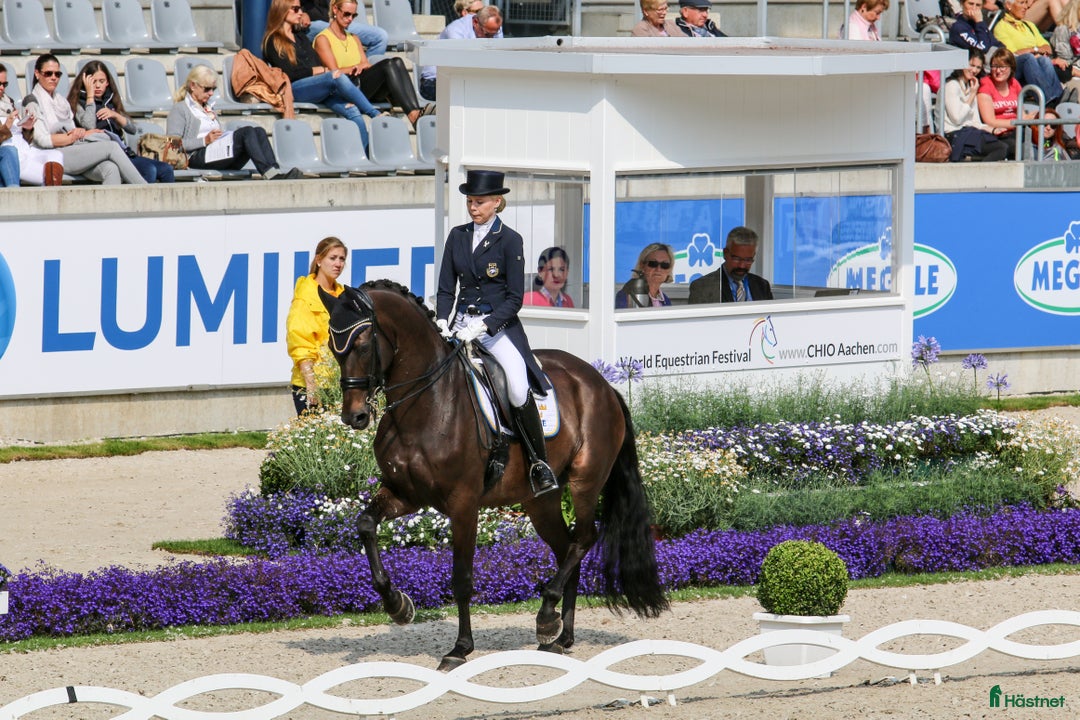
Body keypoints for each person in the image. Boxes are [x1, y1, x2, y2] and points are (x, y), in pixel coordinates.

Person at [434, 169, 559, 497]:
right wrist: (443, 320)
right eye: (470, 201)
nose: (473, 207)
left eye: (479, 202)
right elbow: (447, 287)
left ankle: (538, 463)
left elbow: (515, 299)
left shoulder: (510, 240)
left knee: (517, 388)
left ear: (497, 202)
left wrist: (485, 325)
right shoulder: (457, 236)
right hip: (461, 325)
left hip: (495, 327)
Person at [263, 0, 385, 150]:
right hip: (294, 89)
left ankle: (367, 157)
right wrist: (319, 71)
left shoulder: (300, 36)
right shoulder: (273, 40)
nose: (300, 12)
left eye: (300, 8)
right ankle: (374, 113)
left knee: (352, 110)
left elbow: (316, 62)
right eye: (295, 9)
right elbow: (289, 74)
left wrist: (321, 70)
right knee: (336, 75)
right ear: (282, 10)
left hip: (316, 85)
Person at [27, 54, 146, 185]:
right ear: (37, 74)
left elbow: (73, 130)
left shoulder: (61, 101)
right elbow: (42, 140)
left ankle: (110, 205)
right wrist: (72, 137)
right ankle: (147, 192)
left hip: (73, 150)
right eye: (48, 73)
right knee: (111, 147)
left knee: (111, 168)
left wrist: (84, 133)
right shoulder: (32, 101)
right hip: (50, 155)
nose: (53, 78)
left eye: (57, 74)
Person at [313, 0, 433, 127]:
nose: (350, 19)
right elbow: (334, 74)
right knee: (388, 64)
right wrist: (355, 67)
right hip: (345, 90)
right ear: (335, 10)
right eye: (347, 14)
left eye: (354, 16)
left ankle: (415, 112)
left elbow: (366, 65)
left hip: (361, 84)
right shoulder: (323, 39)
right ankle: (413, 115)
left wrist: (361, 66)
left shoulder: (354, 38)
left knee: (397, 61)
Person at [167, 65, 302, 179]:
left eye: (213, 89)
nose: (211, 93)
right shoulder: (180, 109)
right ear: (193, 86)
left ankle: (275, 171)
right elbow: (172, 144)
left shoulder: (208, 108)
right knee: (247, 132)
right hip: (194, 158)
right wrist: (204, 141)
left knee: (258, 131)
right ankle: (270, 174)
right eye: (207, 89)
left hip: (216, 154)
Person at [68, 61, 174, 184]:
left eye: (101, 81)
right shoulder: (78, 103)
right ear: (85, 82)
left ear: (107, 82)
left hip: (124, 152)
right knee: (148, 170)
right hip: (102, 156)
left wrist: (115, 115)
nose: (97, 86)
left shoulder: (110, 100)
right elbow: (89, 125)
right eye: (93, 82)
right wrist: (90, 97)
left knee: (166, 169)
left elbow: (132, 129)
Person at [286, 236, 347, 415]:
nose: (338, 264)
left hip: (341, 382)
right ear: (319, 260)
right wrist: (312, 384)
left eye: (342, 259)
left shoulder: (344, 295)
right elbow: (300, 342)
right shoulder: (306, 296)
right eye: (332, 258)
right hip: (314, 385)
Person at [418, 6, 504, 101]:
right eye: (487, 35)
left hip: (464, 80)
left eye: (495, 34)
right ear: (475, 22)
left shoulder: (492, 28)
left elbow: (497, 56)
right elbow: (462, 64)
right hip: (434, 82)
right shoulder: (456, 31)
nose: (491, 39)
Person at [993, 0, 1064, 107]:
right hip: (1014, 67)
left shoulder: (1029, 25)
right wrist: (1035, 50)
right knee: (1028, 58)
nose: (1026, 7)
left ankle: (1059, 97)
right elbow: (1012, 53)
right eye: (1021, 3)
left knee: (1043, 60)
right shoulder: (1001, 28)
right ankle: (1050, 100)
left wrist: (1032, 50)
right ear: (1008, 6)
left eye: (1026, 3)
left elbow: (1047, 48)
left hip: (1034, 63)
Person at [1, 65, 63, 186]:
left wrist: (27, 128)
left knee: (56, 155)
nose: (2, 88)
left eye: (4, 84)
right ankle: (51, 193)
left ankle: (52, 194)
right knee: (46, 175)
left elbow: (23, 138)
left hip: (27, 149)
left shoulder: (8, 102)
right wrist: (6, 127)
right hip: (13, 156)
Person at [944, 49, 1011, 160]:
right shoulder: (952, 85)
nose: (974, 70)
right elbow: (957, 119)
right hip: (953, 134)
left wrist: (993, 130)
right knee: (1000, 148)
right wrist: (972, 95)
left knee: (1009, 145)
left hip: (969, 132)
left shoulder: (971, 86)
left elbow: (975, 122)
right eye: (971, 65)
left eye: (978, 67)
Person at [688, 226, 773, 303]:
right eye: (736, 259)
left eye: (748, 260)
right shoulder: (702, 287)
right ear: (725, 253)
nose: (741, 266)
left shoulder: (762, 286)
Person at [977, 47, 1032, 157]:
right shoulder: (986, 86)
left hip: (1017, 130)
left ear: (1011, 68)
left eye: (1002, 67)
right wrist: (1018, 122)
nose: (998, 71)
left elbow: (1022, 114)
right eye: (994, 66)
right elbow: (990, 121)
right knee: (1017, 147)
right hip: (999, 133)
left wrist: (1027, 119)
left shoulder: (1014, 83)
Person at [300, 0, 388, 57]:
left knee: (380, 37)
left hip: (333, 19)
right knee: (379, 37)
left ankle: (366, 74)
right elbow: (288, 5)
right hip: (310, 24)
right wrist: (302, 13)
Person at [615, 242, 676, 308]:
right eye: (653, 263)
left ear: (669, 269)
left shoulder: (666, 300)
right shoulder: (627, 295)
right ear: (642, 266)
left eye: (665, 265)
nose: (658, 269)